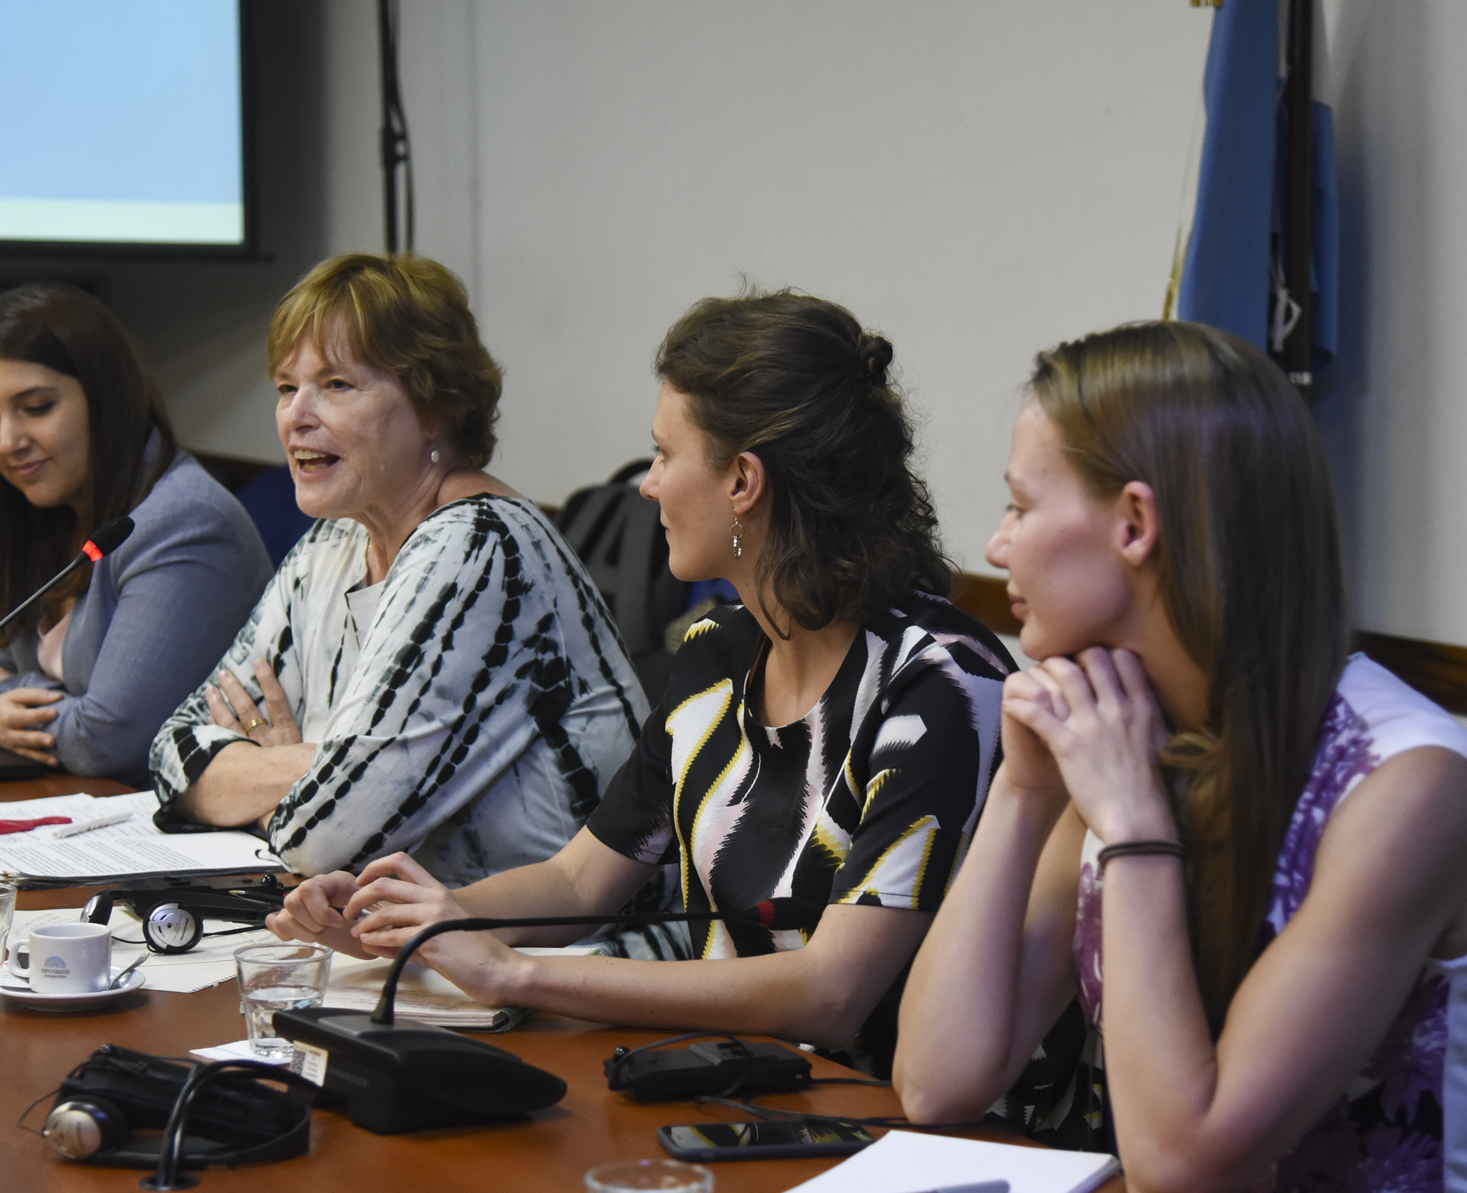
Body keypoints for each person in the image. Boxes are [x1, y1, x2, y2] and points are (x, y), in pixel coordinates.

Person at [892, 321, 1467, 1193]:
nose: (995, 546)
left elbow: (1176, 1167)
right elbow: (937, 1081)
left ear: (1133, 524)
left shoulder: (1408, 786)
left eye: (1019, 506)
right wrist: (1026, 793)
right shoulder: (1118, 730)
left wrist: (1134, 828)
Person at [267, 290, 1018, 1077]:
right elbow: (581, 879)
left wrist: (511, 970)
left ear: (744, 482)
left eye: (664, 454)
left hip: (877, 1124)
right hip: (735, 1088)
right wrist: (424, 922)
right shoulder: (718, 652)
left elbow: (831, 993)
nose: (647, 486)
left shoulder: (938, 683)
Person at [149, 253, 646, 886]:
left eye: (336, 385)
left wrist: (266, 788)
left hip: (567, 959)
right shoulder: (335, 542)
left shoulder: (481, 548)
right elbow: (171, 752)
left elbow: (320, 842)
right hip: (410, 944)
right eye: (285, 386)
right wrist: (319, 767)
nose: (296, 414)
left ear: (436, 405)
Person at [0, 284, 274, 783]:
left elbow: (108, 742)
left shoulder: (185, 521)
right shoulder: (44, 511)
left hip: (180, 836)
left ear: (106, 398)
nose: (8, 442)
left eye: (36, 407)